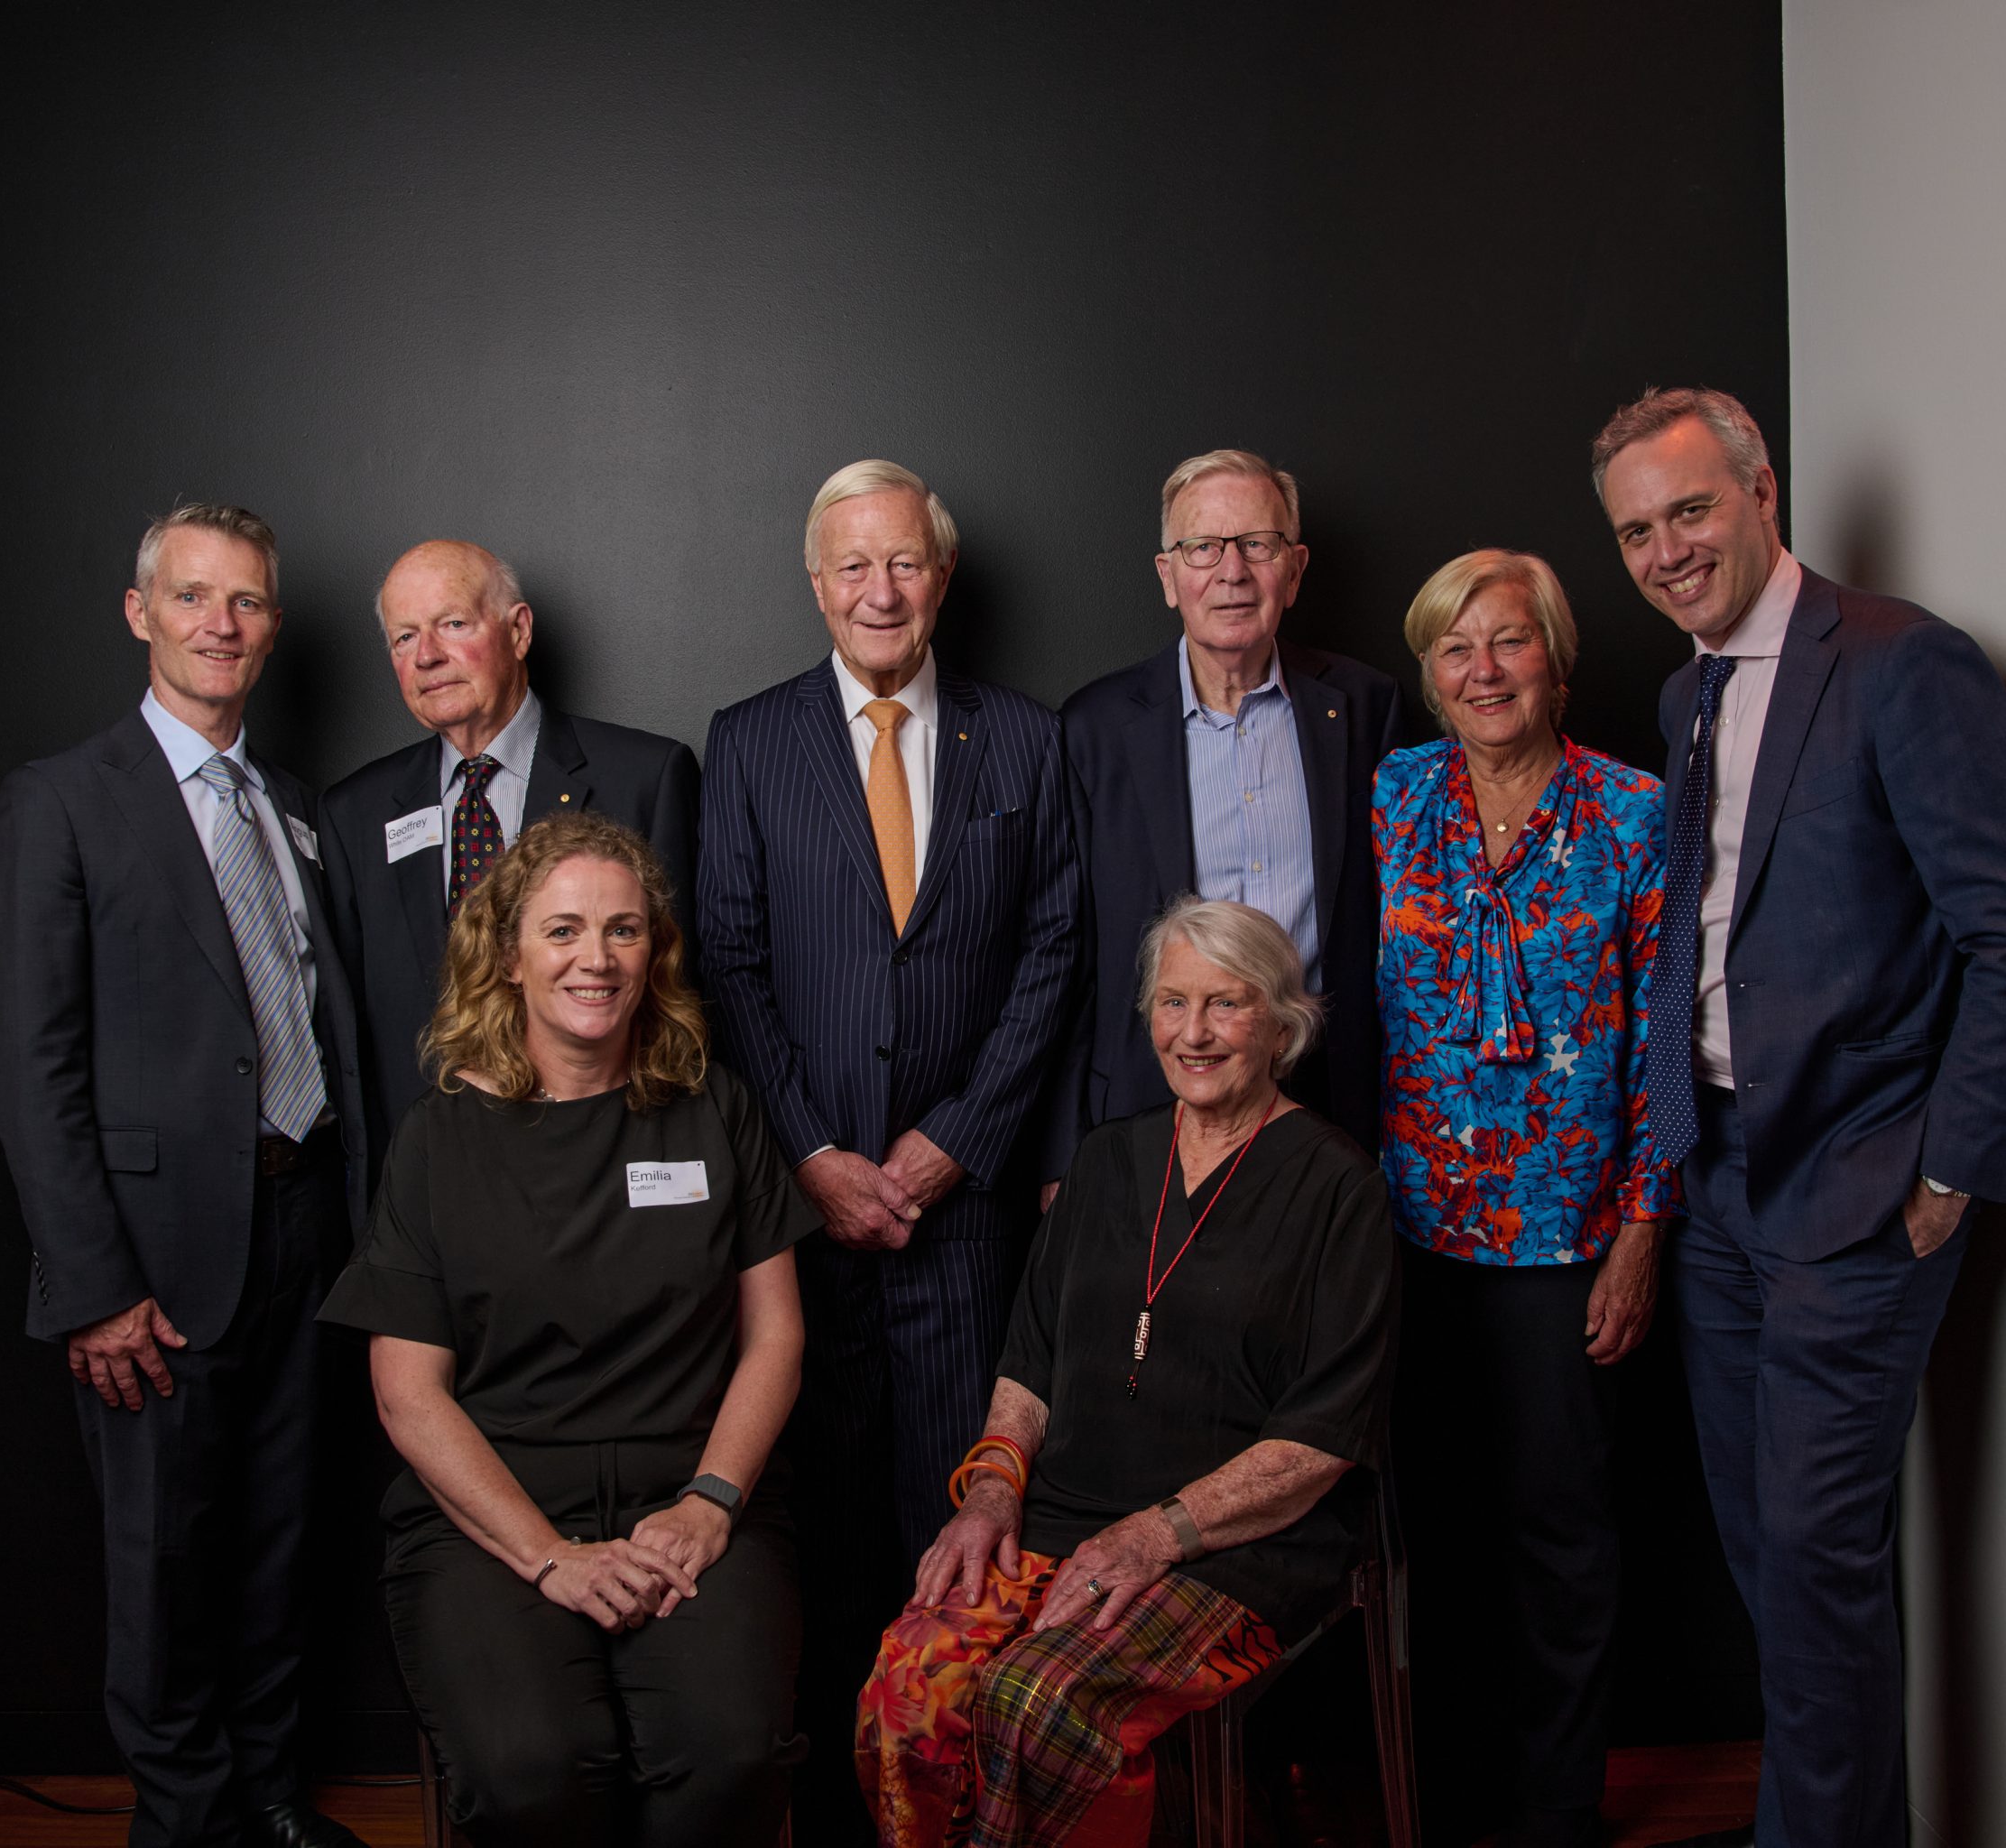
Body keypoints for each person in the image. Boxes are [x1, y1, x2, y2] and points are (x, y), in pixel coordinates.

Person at [1593, 387, 2006, 1848]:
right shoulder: (1685, 698)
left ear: (1760, 492)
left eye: (1690, 510)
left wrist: (1948, 1170)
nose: (1668, 550)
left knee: (1811, 1571)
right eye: (1636, 531)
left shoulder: (1901, 662)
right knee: (1780, 1573)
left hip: (1860, 1191)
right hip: (1725, 1187)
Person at [0, 504, 373, 1848]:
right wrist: (90, 1286)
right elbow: (35, 1065)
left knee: (277, 1546)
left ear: (271, 626)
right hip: (149, 1259)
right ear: (141, 613)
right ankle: (184, 1820)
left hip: (306, 1228)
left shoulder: (295, 812)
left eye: (248, 602)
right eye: (194, 598)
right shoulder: (61, 802)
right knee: (163, 1562)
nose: (222, 624)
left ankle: (266, 1798)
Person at [696, 458, 1079, 1844]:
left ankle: (961, 1814)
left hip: (963, 1221)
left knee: (967, 1539)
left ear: (943, 576)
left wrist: (950, 1146)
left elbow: (1052, 958)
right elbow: (730, 965)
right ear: (817, 584)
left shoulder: (1023, 743)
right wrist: (809, 1153)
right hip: (803, 1224)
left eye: (904, 563)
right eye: (853, 566)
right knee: (825, 1544)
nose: (880, 589)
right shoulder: (749, 742)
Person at [857, 898, 1398, 1848]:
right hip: (1063, 1512)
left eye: (1224, 1004)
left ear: (1279, 1020)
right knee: (911, 1677)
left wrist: (1154, 1535)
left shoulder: (1338, 1185)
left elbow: (1319, 1439)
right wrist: (990, 1492)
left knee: (1040, 1694)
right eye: (1172, 1001)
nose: (1193, 1033)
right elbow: (1030, 1360)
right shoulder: (1107, 1158)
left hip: (1240, 1546)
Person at [318, 813, 813, 1846]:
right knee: (532, 1771)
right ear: (506, 953)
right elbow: (407, 1393)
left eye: (625, 929)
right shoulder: (436, 1140)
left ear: (655, 951)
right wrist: (550, 1557)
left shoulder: (712, 1109)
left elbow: (774, 1335)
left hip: (691, 1490)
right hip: (494, 1513)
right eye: (564, 929)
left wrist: (709, 1505)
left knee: (732, 1755)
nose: (597, 957)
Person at [1373, 550, 1678, 1848]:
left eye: (1509, 644)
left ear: (1558, 662)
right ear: (1430, 677)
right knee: (1438, 1543)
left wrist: (1644, 1234)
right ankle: (1450, 1811)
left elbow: (1668, 1047)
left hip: (1570, 1241)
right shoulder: (1393, 798)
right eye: (1456, 648)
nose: (1483, 671)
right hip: (1415, 1237)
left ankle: (1557, 1816)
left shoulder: (1636, 815)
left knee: (1560, 1543)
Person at [1054, 448, 1402, 1182]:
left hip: (1330, 1105)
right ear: (1168, 576)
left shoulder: (1367, 709)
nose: (1232, 571)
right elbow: (1065, 954)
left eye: (1257, 544)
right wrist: (1064, 1155)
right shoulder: (1094, 728)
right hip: (1153, 1112)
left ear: (1296, 567)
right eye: (1202, 547)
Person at [321, 538, 698, 1181]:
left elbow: (678, 991)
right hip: (430, 1179)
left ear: (519, 631)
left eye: (452, 625)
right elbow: (352, 1035)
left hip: (604, 1164)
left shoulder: (644, 776)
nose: (428, 656)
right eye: (403, 638)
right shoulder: (354, 813)